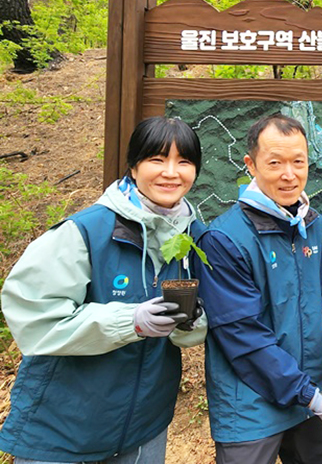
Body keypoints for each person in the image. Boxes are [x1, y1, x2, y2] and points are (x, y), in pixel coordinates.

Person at [0, 116, 207, 463]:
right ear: (133, 165)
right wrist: (132, 322)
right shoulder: (86, 231)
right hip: (63, 428)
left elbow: (188, 334)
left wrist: (192, 321)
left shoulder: (193, 237)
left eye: (184, 162)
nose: (171, 172)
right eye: (157, 159)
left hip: (144, 426)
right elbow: (34, 316)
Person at [195, 114, 322, 464]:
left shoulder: (309, 224)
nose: (289, 174)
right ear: (250, 165)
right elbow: (242, 335)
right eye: (275, 163)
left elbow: (312, 298)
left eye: (298, 162)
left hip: (308, 395)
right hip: (251, 403)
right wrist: (311, 396)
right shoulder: (224, 239)